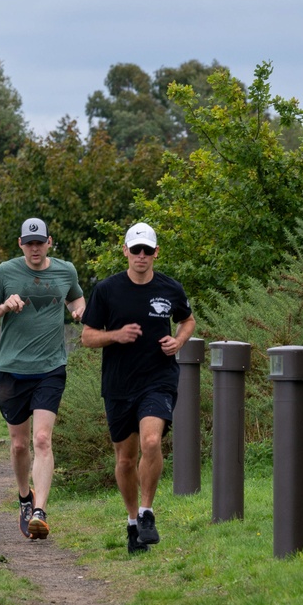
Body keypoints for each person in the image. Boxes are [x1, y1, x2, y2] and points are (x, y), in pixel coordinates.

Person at [80, 222, 195, 554]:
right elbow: (87, 336)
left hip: (158, 379)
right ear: (126, 252)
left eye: (148, 250)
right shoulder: (106, 290)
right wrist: (115, 335)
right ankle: (132, 522)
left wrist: (179, 340)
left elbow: (188, 320)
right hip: (118, 384)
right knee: (126, 460)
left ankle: (147, 512)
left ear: (156, 252)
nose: (141, 256)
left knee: (151, 441)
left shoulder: (170, 288)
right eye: (135, 250)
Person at [0, 217, 85, 540]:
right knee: (20, 444)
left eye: (40, 243)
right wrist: (4, 306)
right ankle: (25, 497)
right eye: (29, 243)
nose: (34, 249)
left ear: (49, 242)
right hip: (12, 369)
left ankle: (40, 510)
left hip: (51, 369)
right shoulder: (5, 273)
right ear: (20, 245)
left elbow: (76, 298)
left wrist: (79, 311)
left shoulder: (66, 271)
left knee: (41, 440)